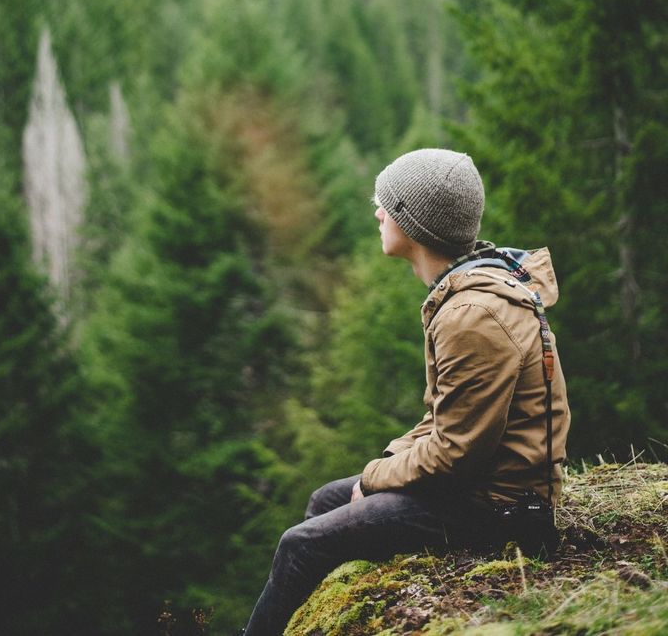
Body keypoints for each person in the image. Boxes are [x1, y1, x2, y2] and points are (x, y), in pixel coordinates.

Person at [243, 148, 570, 636]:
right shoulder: (468, 293)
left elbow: (457, 453)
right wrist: (386, 467)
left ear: (416, 226)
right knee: (324, 500)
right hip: (485, 487)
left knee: (301, 544)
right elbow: (443, 418)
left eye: (387, 204)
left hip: (504, 510)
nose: (377, 212)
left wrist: (375, 479)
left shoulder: (472, 317)